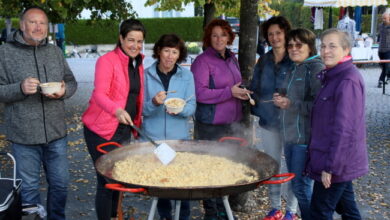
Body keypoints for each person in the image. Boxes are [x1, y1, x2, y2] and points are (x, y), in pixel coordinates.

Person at [0, 6, 77, 220]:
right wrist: (19, 88)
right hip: (24, 135)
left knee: (60, 185)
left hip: (56, 134)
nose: (38, 27)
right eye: (33, 22)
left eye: (42, 23)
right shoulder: (4, 53)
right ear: (22, 25)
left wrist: (64, 91)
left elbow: (71, 82)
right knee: (29, 189)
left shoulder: (53, 51)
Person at [82, 19, 146, 220]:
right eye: (130, 40)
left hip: (123, 130)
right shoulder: (107, 60)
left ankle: (114, 215)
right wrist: (116, 110)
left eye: (139, 41)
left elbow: (135, 96)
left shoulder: (138, 62)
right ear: (121, 39)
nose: (135, 45)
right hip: (100, 130)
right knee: (106, 181)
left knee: (119, 177)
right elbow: (99, 95)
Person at [306, 28, 368, 220]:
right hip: (339, 161)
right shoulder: (333, 75)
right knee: (348, 210)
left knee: (319, 212)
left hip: (335, 163)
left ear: (346, 49)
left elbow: (345, 130)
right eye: (323, 46)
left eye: (332, 46)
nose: (326, 51)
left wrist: (330, 167)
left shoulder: (347, 80)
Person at [191, 18, 249, 220]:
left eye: (223, 35)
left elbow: (234, 86)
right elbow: (199, 94)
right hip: (211, 125)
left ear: (229, 37)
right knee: (209, 169)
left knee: (226, 168)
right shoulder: (202, 61)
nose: (219, 39)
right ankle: (212, 211)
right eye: (214, 35)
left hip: (232, 124)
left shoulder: (232, 58)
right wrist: (229, 92)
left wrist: (241, 92)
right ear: (209, 38)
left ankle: (223, 207)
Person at [249, 16, 298, 220]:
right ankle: (275, 207)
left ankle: (292, 211)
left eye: (278, 33)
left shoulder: (295, 57)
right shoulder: (265, 59)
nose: (274, 37)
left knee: (295, 168)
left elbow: (304, 89)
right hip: (269, 122)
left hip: (292, 124)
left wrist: (290, 100)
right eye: (270, 34)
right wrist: (248, 93)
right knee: (273, 165)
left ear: (285, 33)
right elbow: (255, 86)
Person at [142, 33, 196, 220]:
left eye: (174, 52)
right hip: (153, 139)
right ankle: (165, 216)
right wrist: (153, 103)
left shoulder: (186, 75)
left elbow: (191, 106)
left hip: (179, 138)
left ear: (179, 55)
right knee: (160, 181)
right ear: (159, 51)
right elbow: (140, 110)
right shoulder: (145, 75)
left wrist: (180, 109)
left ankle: (184, 216)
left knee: (182, 181)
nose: (170, 56)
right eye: (166, 50)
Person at [273, 28, 324, 220]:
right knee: (298, 185)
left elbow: (319, 106)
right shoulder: (295, 67)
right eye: (290, 45)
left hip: (305, 138)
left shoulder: (315, 68)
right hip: (291, 135)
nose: (293, 49)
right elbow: (293, 95)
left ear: (309, 47)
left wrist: (291, 104)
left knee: (301, 187)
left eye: (298, 45)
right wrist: (281, 97)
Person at [377, 8, 390, 88]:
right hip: (380, 49)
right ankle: (389, 75)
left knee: (386, 65)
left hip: (389, 49)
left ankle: (381, 80)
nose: (383, 20)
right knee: (383, 65)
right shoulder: (380, 25)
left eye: (385, 18)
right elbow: (379, 35)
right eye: (383, 18)